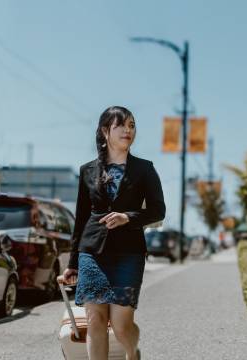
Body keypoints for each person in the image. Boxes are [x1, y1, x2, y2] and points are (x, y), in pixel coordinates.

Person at [62, 106, 165, 360]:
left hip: (129, 253)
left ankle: (132, 352)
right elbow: (82, 217)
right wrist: (72, 262)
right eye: (122, 125)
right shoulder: (88, 170)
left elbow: (158, 210)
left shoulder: (144, 169)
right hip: (92, 252)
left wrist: (127, 217)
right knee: (95, 320)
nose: (128, 130)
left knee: (121, 325)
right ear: (105, 131)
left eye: (132, 125)